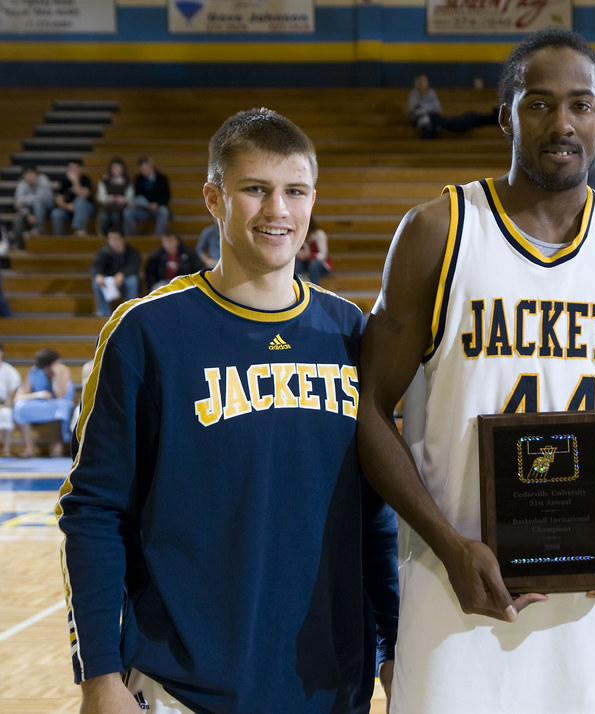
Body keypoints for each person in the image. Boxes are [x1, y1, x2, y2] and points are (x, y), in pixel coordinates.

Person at [356, 28, 595, 713]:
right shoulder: (438, 232)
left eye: (581, 105)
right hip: (457, 600)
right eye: (539, 104)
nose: (562, 124)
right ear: (506, 115)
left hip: (594, 611)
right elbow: (367, 410)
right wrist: (448, 546)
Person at [56, 107, 399, 714]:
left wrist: (392, 647)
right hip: (180, 688)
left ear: (313, 200)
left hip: (331, 687)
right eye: (255, 190)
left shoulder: (352, 333)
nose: (278, 211)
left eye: (294, 192)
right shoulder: (146, 332)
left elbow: (375, 520)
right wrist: (100, 677)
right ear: (214, 198)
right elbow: (93, 512)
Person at [12, 347, 73, 457]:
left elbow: (59, 394)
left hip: (61, 403)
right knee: (20, 407)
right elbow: (19, 397)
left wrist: (56, 375)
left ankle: (58, 444)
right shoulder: (34, 371)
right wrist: (38, 394)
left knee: (61, 407)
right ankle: (29, 448)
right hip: (41, 403)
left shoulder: (62, 370)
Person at [407, 74, 499, 139]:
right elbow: (414, 109)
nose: (424, 84)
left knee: (470, 117)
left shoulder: (431, 92)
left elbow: (438, 109)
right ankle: (429, 128)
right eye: (422, 81)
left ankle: (493, 118)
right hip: (438, 120)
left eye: (425, 81)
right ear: (417, 83)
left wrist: (427, 111)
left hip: (440, 119)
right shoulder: (414, 94)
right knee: (470, 117)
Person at [90, 230, 141, 317]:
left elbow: (134, 266)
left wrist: (122, 274)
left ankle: (130, 310)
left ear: (122, 239)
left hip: (125, 279)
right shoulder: (104, 252)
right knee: (96, 282)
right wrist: (98, 275)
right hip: (108, 281)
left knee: (133, 280)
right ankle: (103, 311)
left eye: (116, 239)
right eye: (111, 239)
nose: (113, 242)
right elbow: (96, 266)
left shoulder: (132, 251)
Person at [122, 156, 172, 236]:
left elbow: (166, 196)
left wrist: (157, 204)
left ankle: (158, 237)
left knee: (164, 212)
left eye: (145, 168)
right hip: (143, 207)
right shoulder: (138, 179)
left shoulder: (162, 178)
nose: (143, 171)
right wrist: (135, 203)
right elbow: (136, 195)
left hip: (157, 207)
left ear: (151, 166)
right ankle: (131, 237)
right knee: (127, 212)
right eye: (141, 169)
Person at [11, 165, 54, 248]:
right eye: (27, 174)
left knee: (38, 203)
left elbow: (41, 198)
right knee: (18, 218)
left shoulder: (43, 180)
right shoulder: (22, 183)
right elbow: (17, 203)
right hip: (30, 210)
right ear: (24, 175)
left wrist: (24, 200)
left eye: (31, 174)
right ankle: (19, 245)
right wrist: (28, 214)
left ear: (36, 174)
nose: (29, 177)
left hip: (47, 207)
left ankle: (38, 229)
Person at [50, 160, 95, 236]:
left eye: (75, 168)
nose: (73, 171)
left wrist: (75, 181)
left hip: (85, 208)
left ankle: (79, 230)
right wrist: (67, 206)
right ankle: (59, 238)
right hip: (69, 208)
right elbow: (58, 198)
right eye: (71, 168)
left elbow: (83, 195)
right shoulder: (64, 181)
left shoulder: (86, 179)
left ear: (80, 169)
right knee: (56, 213)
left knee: (79, 201)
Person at [95, 157, 134, 236]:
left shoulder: (127, 182)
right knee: (104, 217)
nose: (116, 170)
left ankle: (119, 236)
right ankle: (105, 236)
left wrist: (123, 199)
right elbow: (100, 197)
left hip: (121, 208)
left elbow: (130, 198)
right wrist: (111, 198)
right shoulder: (104, 181)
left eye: (118, 167)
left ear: (123, 169)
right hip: (108, 207)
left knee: (115, 216)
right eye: (114, 168)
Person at [294, 216, 333, 285]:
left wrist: (309, 255)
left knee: (313, 264)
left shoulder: (319, 234)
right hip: (304, 264)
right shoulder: (299, 234)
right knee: (297, 265)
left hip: (319, 265)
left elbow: (323, 254)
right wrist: (298, 254)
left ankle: (314, 287)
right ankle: (297, 286)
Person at [0, 343, 22, 458]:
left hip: (3, 404)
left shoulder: (9, 370)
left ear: (2, 353)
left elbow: (13, 390)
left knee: (6, 414)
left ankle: (6, 450)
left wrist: (7, 404)